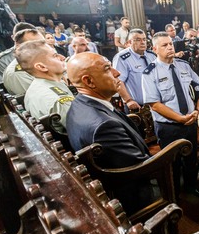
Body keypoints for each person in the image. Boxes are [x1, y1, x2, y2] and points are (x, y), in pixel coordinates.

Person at [66, 52, 154, 215]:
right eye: (107, 69)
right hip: (133, 200)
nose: (117, 73)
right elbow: (138, 168)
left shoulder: (79, 103)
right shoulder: (104, 126)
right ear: (89, 81)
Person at [142, 32, 199, 198]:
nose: (170, 47)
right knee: (172, 163)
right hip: (168, 126)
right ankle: (174, 193)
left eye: (170, 44)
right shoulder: (150, 73)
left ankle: (191, 186)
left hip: (190, 121)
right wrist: (180, 118)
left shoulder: (183, 65)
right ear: (154, 49)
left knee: (191, 158)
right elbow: (154, 104)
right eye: (164, 45)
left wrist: (198, 110)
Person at [15, 40, 73, 132]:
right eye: (55, 56)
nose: (62, 57)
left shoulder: (36, 86)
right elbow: (87, 133)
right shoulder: (59, 100)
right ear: (41, 67)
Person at [113, 29, 156, 111]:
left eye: (144, 39)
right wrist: (128, 100)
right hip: (136, 106)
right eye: (138, 40)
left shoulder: (152, 56)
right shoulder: (123, 58)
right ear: (129, 42)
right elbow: (118, 81)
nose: (143, 42)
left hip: (156, 104)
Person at [3, 28, 45, 96]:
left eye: (43, 43)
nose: (43, 48)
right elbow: (40, 97)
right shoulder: (18, 74)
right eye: (34, 45)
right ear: (18, 46)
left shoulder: (38, 61)